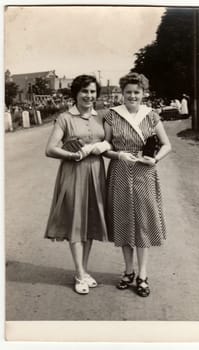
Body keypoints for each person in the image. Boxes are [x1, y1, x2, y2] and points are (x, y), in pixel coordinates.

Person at [104, 72, 171, 297]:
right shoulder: (112, 116)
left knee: (142, 222)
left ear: (143, 93)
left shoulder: (151, 116)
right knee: (123, 220)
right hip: (120, 170)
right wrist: (118, 155)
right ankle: (128, 270)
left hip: (144, 172)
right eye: (128, 92)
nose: (132, 96)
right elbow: (105, 146)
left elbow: (166, 145)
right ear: (121, 94)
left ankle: (142, 275)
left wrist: (156, 158)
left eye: (137, 92)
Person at [45, 75, 111, 295]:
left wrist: (103, 145)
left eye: (92, 92)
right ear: (76, 93)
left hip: (96, 173)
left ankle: (83, 270)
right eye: (84, 91)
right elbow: (51, 149)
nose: (89, 96)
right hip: (74, 172)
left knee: (90, 221)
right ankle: (80, 273)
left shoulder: (100, 117)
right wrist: (73, 155)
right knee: (76, 221)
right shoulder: (65, 118)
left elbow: (110, 140)